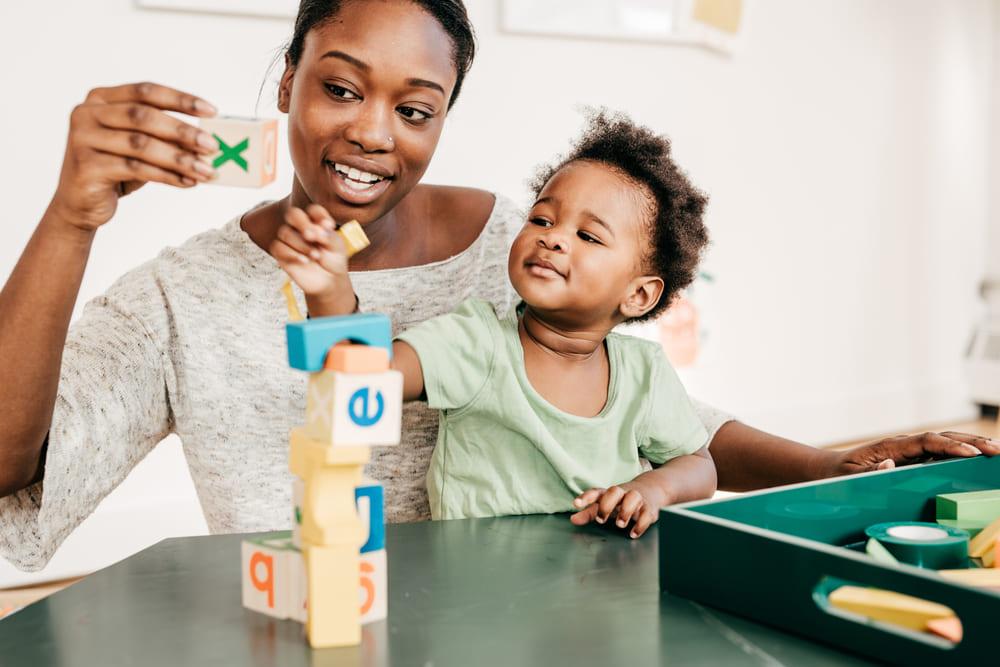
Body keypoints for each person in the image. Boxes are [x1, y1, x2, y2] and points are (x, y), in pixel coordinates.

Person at [0, 0, 996, 571]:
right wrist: (72, 215)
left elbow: (653, 412)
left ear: (444, 117)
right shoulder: (186, 293)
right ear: (286, 81)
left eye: (416, 106)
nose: (374, 133)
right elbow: (10, 465)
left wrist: (832, 467)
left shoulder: (519, 250)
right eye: (339, 86)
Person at [279, 111, 716, 537]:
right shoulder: (476, 341)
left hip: (598, 591)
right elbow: (365, 375)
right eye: (541, 219)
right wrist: (329, 289)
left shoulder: (645, 372)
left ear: (638, 295)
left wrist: (651, 489)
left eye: (588, 236)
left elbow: (699, 465)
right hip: (478, 592)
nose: (553, 237)